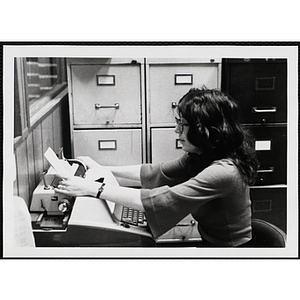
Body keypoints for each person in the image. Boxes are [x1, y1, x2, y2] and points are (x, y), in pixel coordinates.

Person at [55, 87, 258, 247]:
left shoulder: (224, 172)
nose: (177, 130)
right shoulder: (203, 156)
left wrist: (93, 189)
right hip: (214, 245)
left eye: (183, 124)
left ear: (204, 130)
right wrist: (102, 168)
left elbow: (164, 200)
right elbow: (154, 171)